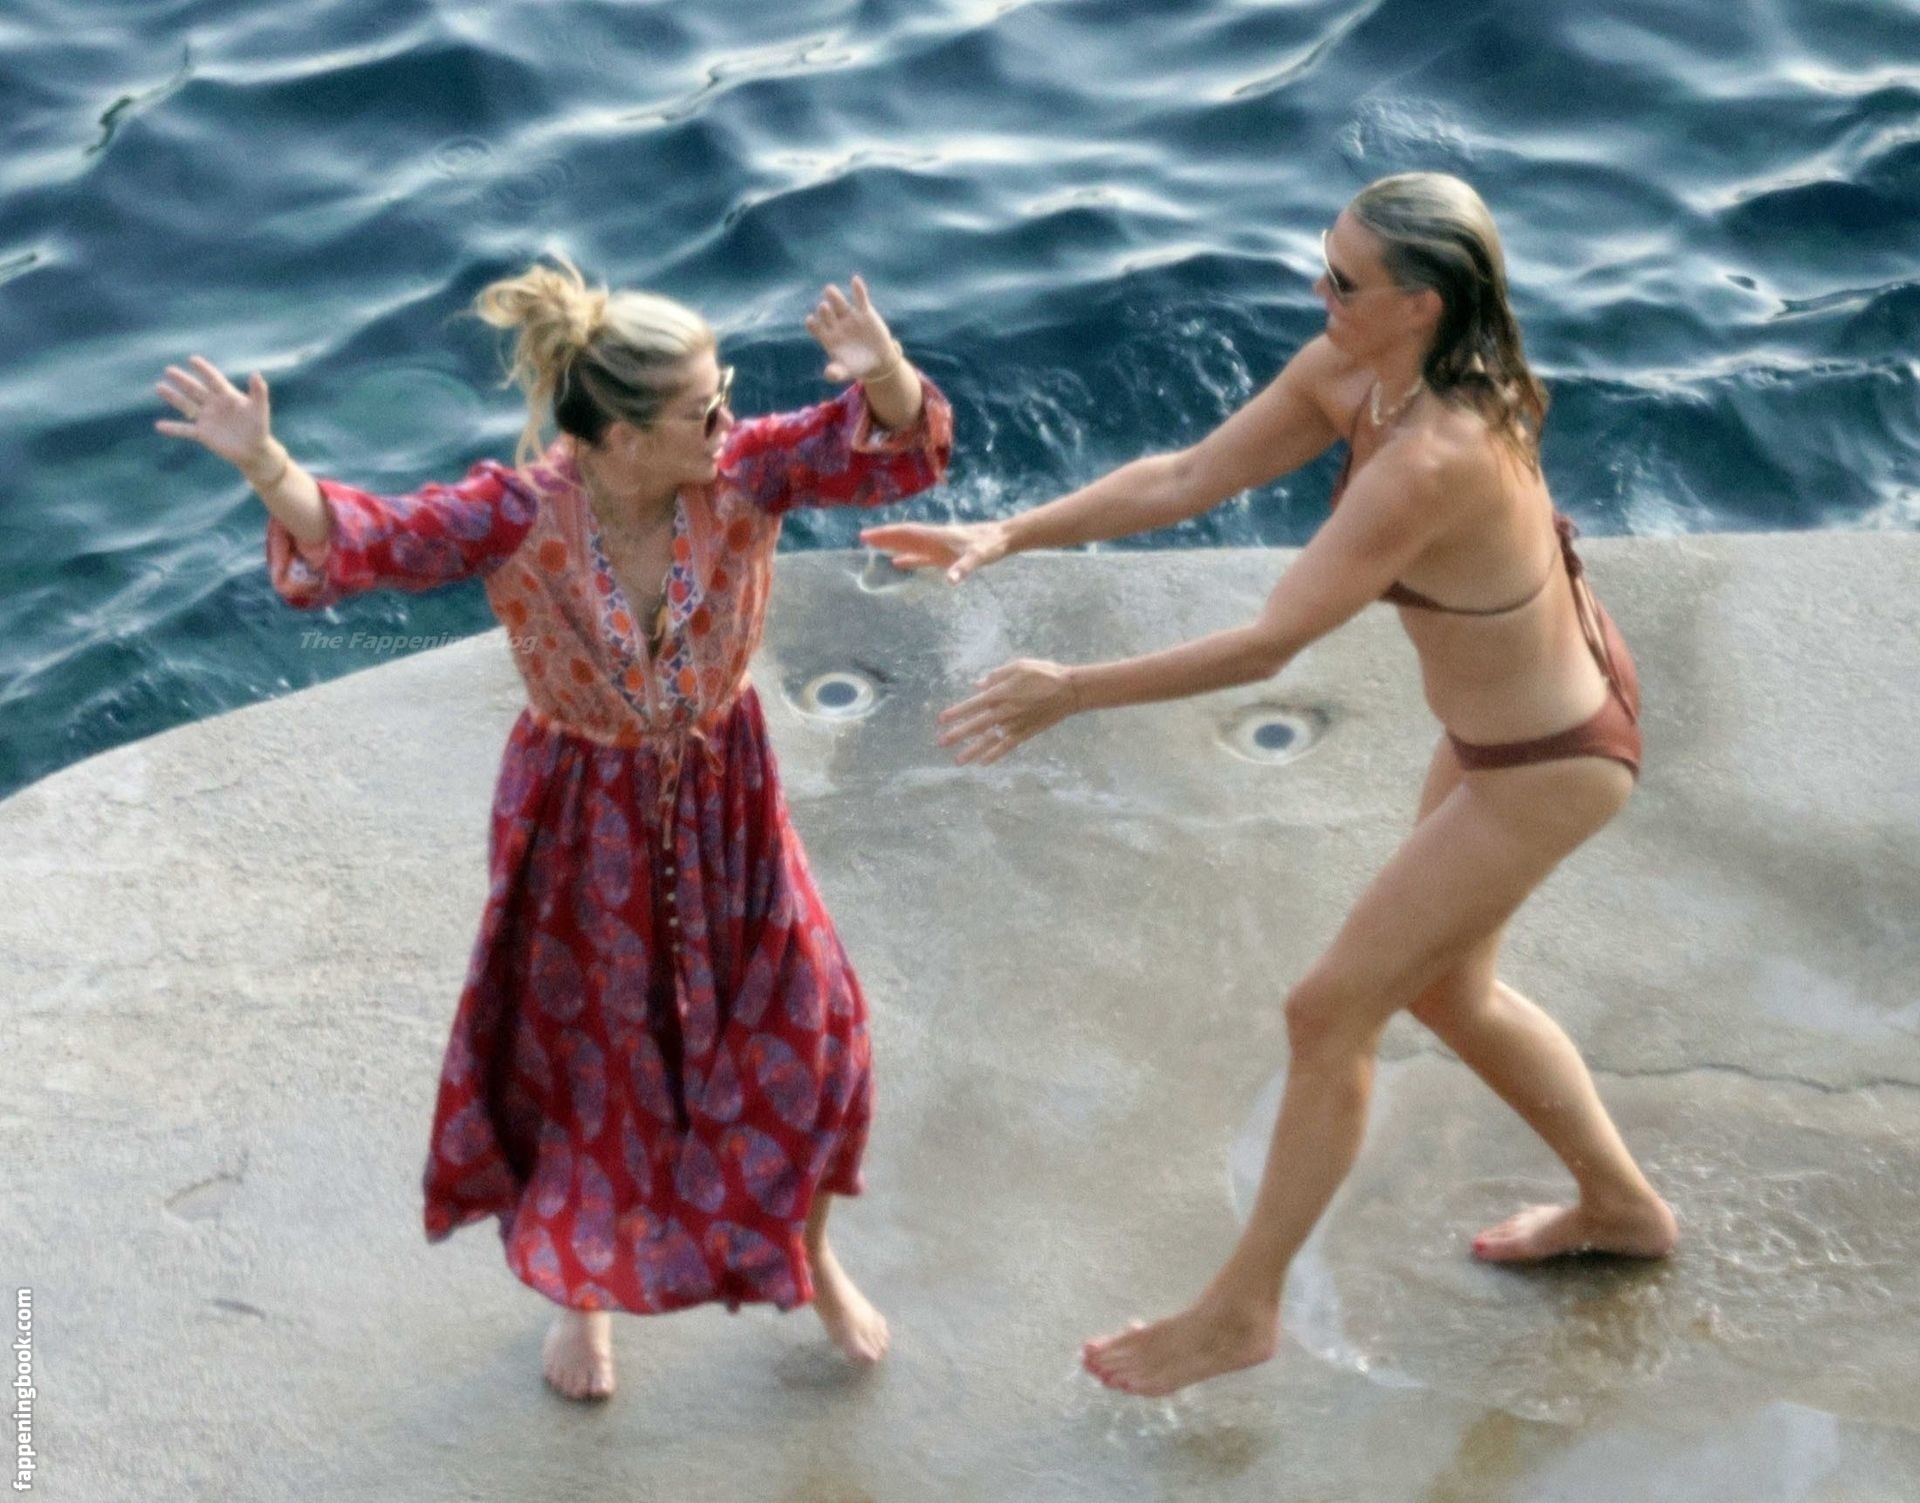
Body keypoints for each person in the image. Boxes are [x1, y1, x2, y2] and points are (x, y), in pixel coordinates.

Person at [862, 172, 1676, 1398]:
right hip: (1512, 722)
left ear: (1422, 303)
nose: (1318, 289)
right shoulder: (1360, 372)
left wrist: (1070, 689)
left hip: (1549, 763)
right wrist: (1007, 533)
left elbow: (1266, 647)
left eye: (1344, 280)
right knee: (1448, 992)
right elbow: (1185, 476)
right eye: (1323, 261)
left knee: (1329, 1013)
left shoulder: (1433, 458)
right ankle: (1622, 1209)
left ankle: (1240, 1313)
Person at [156, 256, 953, 1401]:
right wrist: (263, 462)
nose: (728, 421)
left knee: (817, 1034)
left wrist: (885, 371)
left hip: (728, 795)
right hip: (583, 815)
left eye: (726, 396)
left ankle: (809, 1256)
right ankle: (582, 1297)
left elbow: (888, 451)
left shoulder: (746, 473)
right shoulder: (521, 514)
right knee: (590, 1067)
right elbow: (372, 538)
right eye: (702, 409)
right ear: (621, 438)